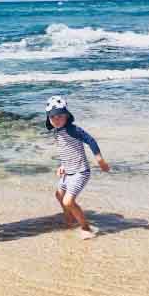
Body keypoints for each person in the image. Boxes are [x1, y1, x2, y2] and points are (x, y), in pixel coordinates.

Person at [44, 95, 110, 239]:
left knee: (68, 201)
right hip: (68, 171)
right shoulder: (57, 131)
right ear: (48, 118)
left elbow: (90, 140)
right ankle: (69, 218)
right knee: (59, 195)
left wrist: (100, 160)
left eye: (61, 116)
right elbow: (67, 149)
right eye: (53, 117)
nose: (57, 119)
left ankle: (86, 227)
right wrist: (62, 165)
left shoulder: (71, 129)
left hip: (80, 172)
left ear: (67, 116)